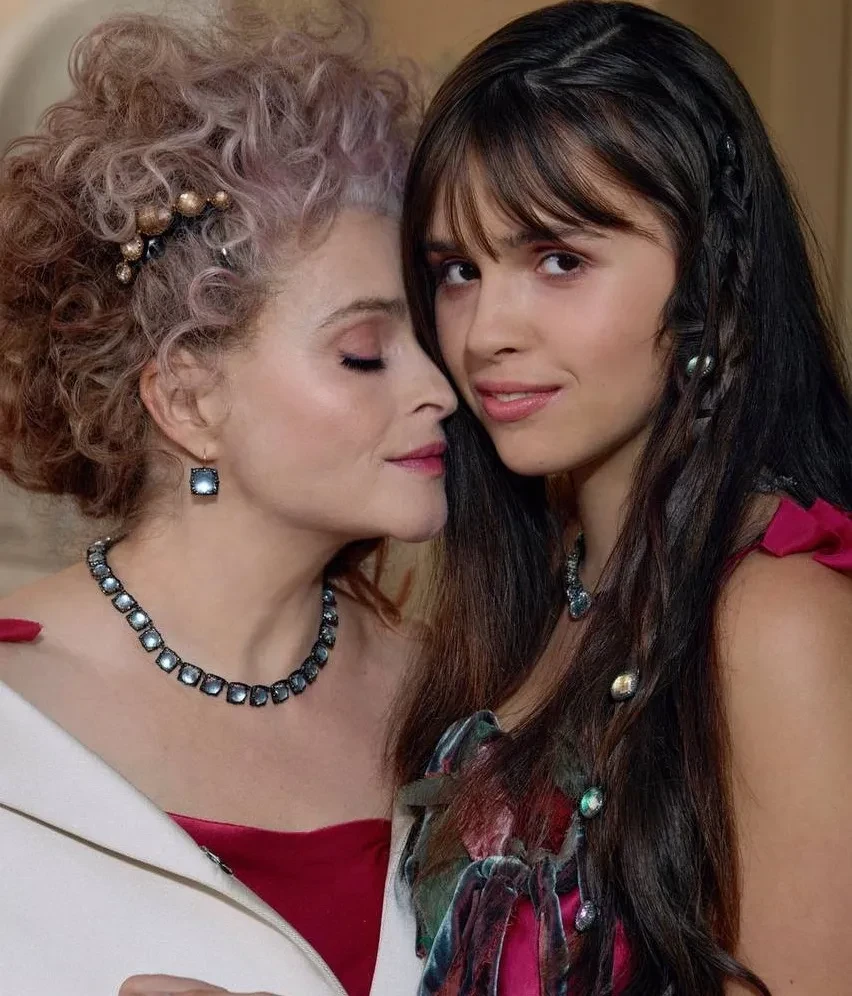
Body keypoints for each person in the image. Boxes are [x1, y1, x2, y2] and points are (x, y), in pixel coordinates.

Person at [392, 2, 852, 994]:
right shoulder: (534, 591)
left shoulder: (773, 619)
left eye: (559, 260)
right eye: (458, 271)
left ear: (709, 281)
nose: (485, 331)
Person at [0, 6, 456, 996]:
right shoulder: (13, 718)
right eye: (365, 353)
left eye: (431, 341)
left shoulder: (467, 700)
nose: (441, 392)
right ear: (190, 402)